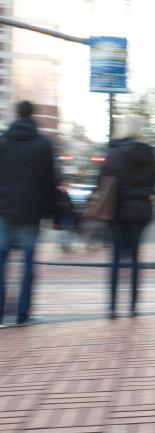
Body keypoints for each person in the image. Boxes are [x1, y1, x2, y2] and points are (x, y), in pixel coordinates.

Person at [0, 101, 57, 326]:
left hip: (3, 210)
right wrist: (52, 213)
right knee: (28, 264)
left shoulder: (3, 141)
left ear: (17, 115)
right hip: (31, 213)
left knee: (1, 263)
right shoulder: (43, 144)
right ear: (32, 115)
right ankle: (23, 313)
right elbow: (49, 181)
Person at [99, 115, 155, 319]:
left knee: (115, 260)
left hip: (116, 211)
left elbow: (103, 180)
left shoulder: (114, 151)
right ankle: (133, 306)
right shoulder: (148, 152)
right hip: (139, 211)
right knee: (134, 259)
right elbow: (153, 183)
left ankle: (112, 307)